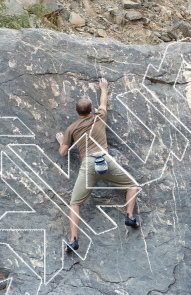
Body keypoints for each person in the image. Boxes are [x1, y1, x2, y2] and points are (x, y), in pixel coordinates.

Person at [56, 77, 140, 253]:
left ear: (76, 111)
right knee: (132, 186)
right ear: (91, 110)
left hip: (88, 165)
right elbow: (104, 103)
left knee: (75, 203)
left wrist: (62, 140)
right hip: (105, 159)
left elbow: (63, 153)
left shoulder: (72, 128)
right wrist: (103, 87)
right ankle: (130, 217)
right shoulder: (99, 116)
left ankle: (73, 240)